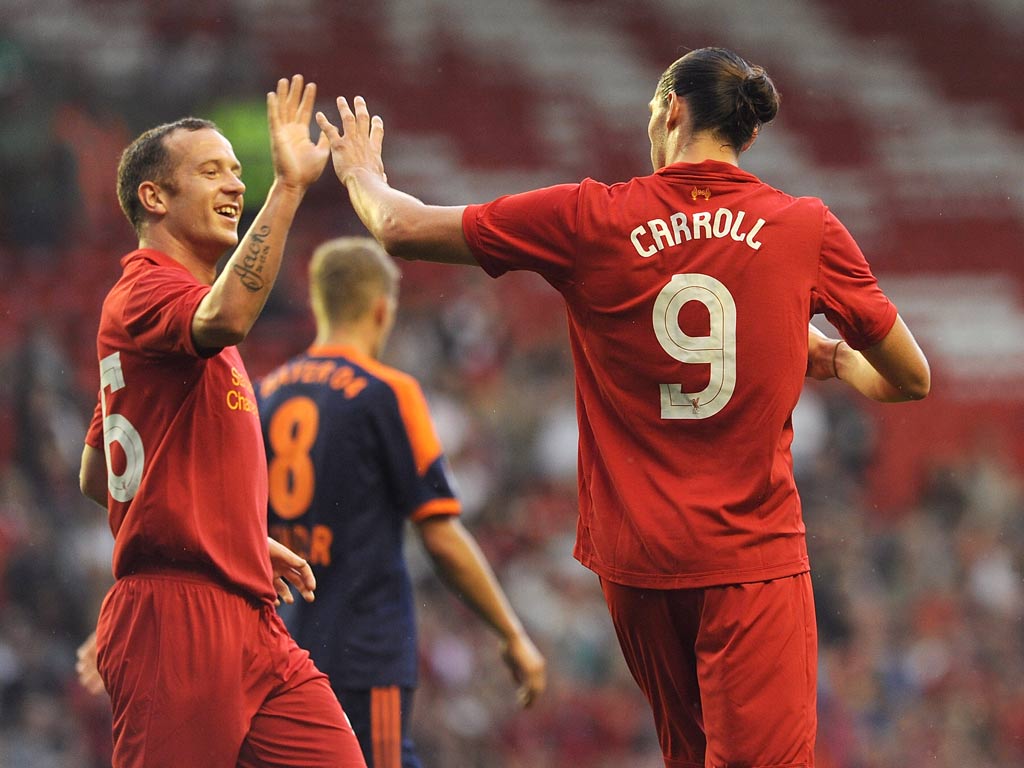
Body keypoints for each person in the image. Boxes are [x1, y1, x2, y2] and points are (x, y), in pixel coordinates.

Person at [313, 47, 930, 767]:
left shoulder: (589, 217)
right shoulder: (802, 226)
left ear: (672, 111)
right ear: (749, 134)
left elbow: (400, 229)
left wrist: (360, 174)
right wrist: (830, 356)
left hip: (638, 568)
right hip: (748, 559)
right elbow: (909, 378)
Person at [78, 75, 367, 767]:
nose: (236, 184)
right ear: (154, 197)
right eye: (211, 171)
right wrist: (289, 188)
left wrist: (223, 528)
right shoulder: (149, 290)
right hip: (175, 618)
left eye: (240, 171)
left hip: (248, 615)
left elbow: (97, 474)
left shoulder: (170, 314)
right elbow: (229, 317)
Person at [255, 236, 547, 768]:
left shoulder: (267, 392)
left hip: (286, 647)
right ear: (381, 309)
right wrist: (511, 633)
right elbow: (440, 533)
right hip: (365, 649)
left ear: (322, 304)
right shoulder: (386, 391)